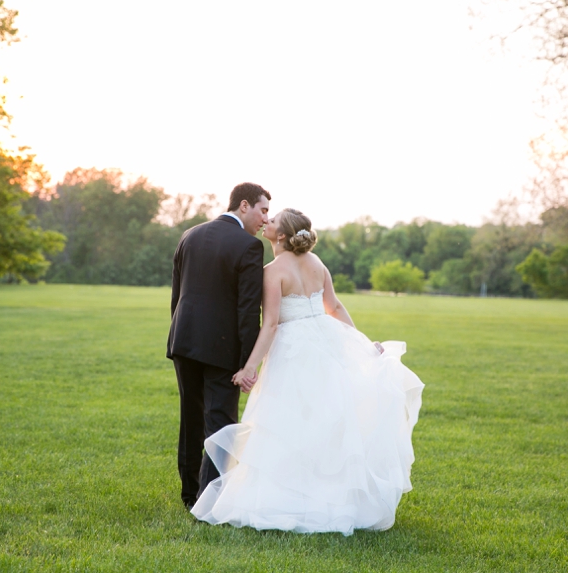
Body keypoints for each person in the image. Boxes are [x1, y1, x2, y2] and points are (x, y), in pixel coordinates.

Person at [190, 208, 424, 535]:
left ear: (281, 235)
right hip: (326, 343)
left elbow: (270, 323)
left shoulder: (272, 271)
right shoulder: (318, 264)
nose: (266, 222)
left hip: (293, 350)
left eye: (272, 221)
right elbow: (336, 307)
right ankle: (327, 495)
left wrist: (250, 367)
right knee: (322, 421)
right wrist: (363, 342)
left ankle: (286, 497)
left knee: (285, 422)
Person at [167, 182, 271, 510]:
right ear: (244, 205)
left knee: (191, 418)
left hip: (183, 340)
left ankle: (189, 493)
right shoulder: (249, 246)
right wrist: (246, 363)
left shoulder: (190, 234)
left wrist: (179, 335)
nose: (265, 220)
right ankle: (209, 498)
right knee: (221, 422)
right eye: (263, 210)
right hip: (223, 348)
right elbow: (247, 310)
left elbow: (177, 294)